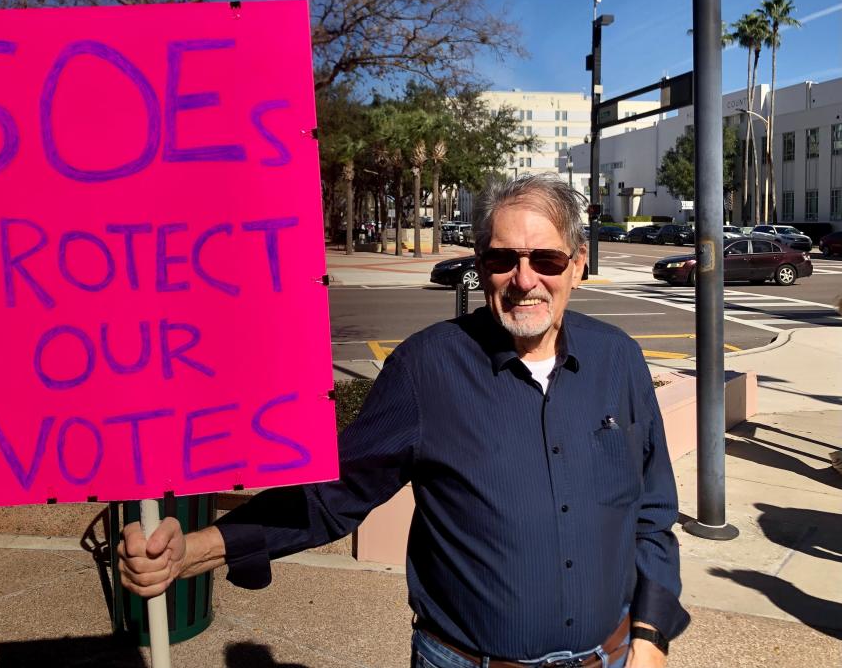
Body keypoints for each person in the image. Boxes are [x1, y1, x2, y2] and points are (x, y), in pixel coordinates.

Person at [119, 173, 689, 667]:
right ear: (479, 266)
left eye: (546, 259)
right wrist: (195, 550)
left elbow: (653, 512)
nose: (523, 280)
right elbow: (334, 495)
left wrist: (651, 638)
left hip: (612, 657)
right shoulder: (426, 368)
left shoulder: (618, 358)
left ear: (577, 265)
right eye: (501, 259)